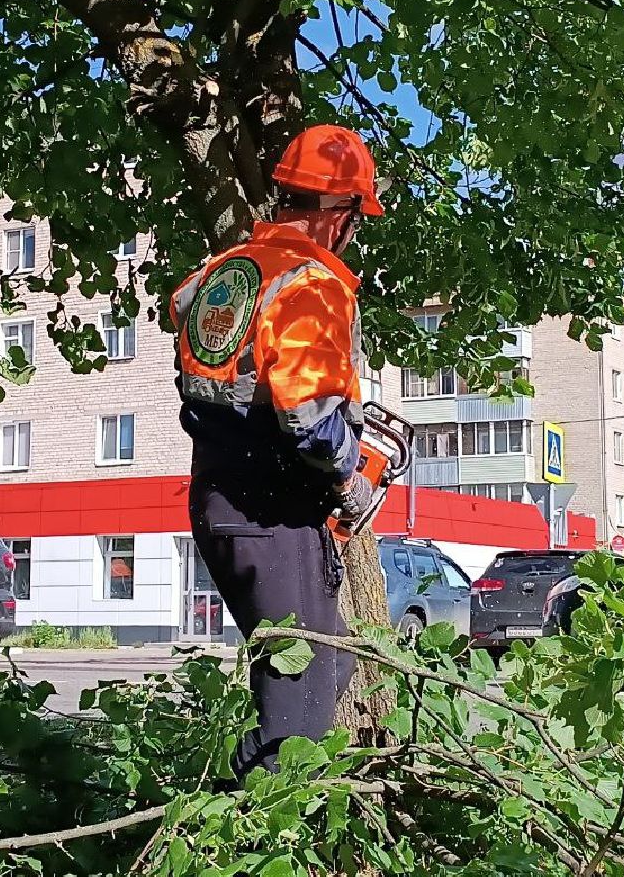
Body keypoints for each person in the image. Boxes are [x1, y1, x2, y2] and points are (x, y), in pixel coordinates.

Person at [170, 124, 384, 779]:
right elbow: (308, 417)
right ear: (339, 214)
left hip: (220, 496)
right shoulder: (310, 287)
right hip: (269, 514)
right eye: (356, 216)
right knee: (295, 712)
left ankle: (254, 817)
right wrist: (354, 483)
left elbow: (196, 342)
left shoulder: (225, 271)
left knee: (330, 657)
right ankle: (247, 832)